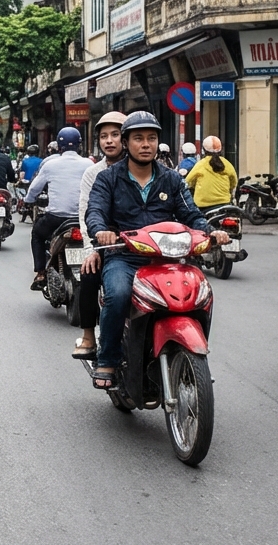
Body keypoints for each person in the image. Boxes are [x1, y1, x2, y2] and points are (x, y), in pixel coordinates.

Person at [85, 111, 228, 389]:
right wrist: (100, 230)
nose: (146, 144)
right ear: (127, 143)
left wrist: (210, 232)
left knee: (201, 294)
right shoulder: (108, 178)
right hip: (124, 257)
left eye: (151, 138)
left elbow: (192, 215)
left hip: (168, 258)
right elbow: (95, 212)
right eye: (138, 138)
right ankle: (108, 359)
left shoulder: (172, 179)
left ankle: (194, 356)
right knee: (118, 295)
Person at [72, 111, 127, 357]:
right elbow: (87, 213)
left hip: (144, 243)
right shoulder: (93, 174)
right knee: (89, 273)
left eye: (115, 135)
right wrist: (91, 249)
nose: (109, 141)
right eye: (104, 136)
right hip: (105, 243)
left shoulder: (152, 170)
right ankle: (87, 335)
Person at [24, 127, 91, 290]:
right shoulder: (89, 164)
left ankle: (40, 272)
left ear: (59, 147)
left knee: (38, 234)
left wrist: (28, 200)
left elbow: (34, 189)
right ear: (79, 145)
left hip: (56, 219)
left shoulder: (50, 165)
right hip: (83, 218)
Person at [184, 136, 239, 210]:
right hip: (224, 203)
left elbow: (188, 181)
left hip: (203, 206)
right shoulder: (227, 164)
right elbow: (234, 181)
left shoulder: (201, 164)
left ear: (203, 150)